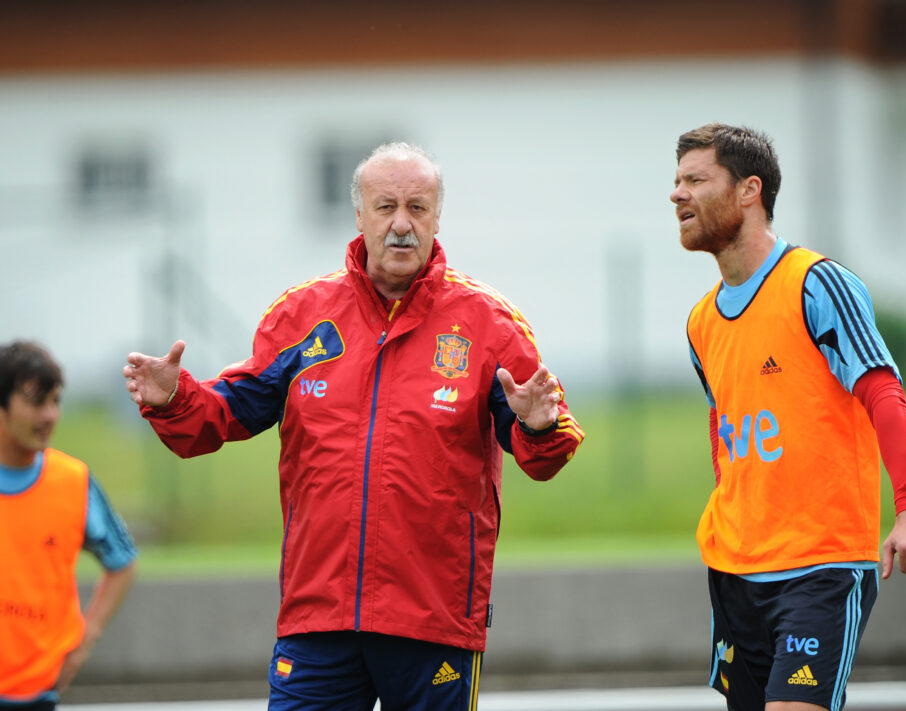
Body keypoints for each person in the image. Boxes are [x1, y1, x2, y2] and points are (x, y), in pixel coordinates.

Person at [123, 141, 585, 710]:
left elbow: (541, 452)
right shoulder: (302, 315)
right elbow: (227, 414)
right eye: (385, 206)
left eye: (417, 208)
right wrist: (174, 398)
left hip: (433, 617)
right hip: (319, 615)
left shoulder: (489, 324)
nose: (400, 225)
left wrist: (538, 427)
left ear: (438, 217)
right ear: (359, 215)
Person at [670, 123, 906, 711]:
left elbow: (884, 393)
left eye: (696, 179)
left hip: (820, 566)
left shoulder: (816, 283)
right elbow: (724, 432)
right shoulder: (700, 323)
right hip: (735, 569)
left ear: (749, 191)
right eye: (676, 181)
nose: (677, 194)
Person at [0, 341, 138, 711]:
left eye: (56, 401)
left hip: (40, 695)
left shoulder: (73, 482)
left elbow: (123, 562)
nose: (49, 415)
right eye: (36, 401)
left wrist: (84, 640)